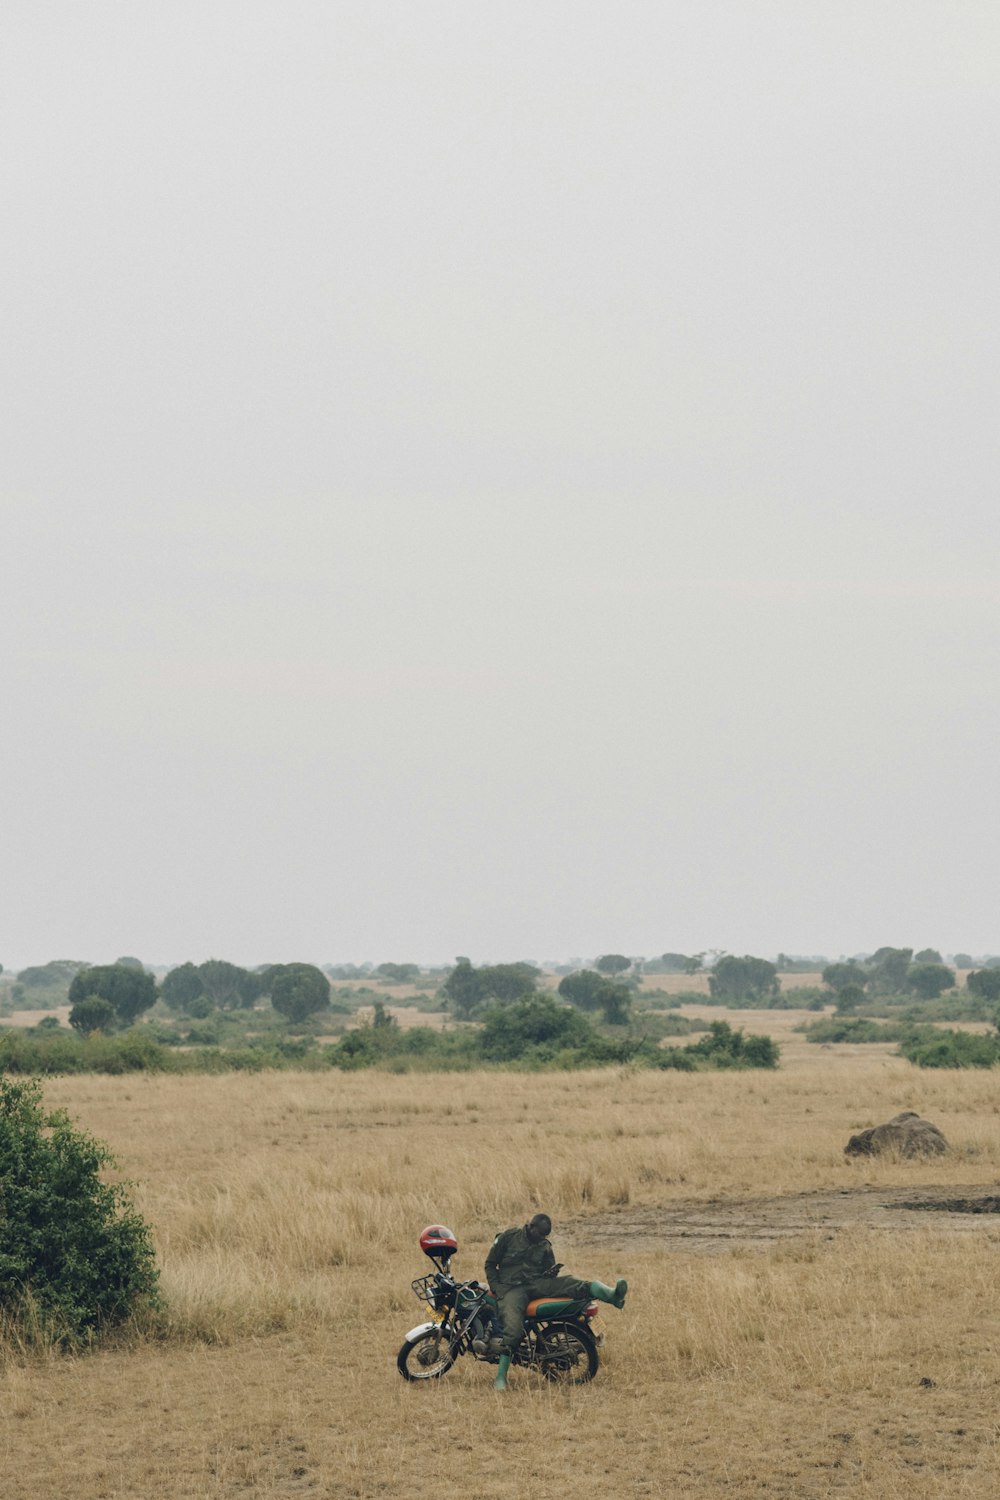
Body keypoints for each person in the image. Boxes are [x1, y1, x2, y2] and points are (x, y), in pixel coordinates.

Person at [484, 1211, 627, 1390]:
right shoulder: (508, 1237)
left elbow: (549, 1269)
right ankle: (500, 1377)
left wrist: (551, 1273)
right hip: (512, 1288)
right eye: (539, 1234)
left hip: (536, 1284)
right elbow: (490, 1264)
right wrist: (497, 1288)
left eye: (545, 1235)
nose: (541, 1238)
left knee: (571, 1282)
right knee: (513, 1328)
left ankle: (611, 1295)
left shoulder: (544, 1245)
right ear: (531, 1227)